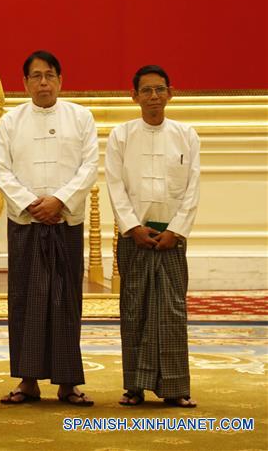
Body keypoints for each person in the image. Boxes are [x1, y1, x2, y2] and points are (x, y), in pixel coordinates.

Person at [0, 50, 98, 406]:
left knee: (65, 301)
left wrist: (59, 201)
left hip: (65, 222)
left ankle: (68, 383)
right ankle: (27, 381)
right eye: (35, 76)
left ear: (60, 80)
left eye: (49, 75)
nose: (43, 83)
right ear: (24, 83)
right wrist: (32, 204)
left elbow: (89, 167)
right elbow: (1, 169)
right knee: (26, 300)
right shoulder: (10, 121)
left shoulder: (81, 117)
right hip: (26, 223)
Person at [105, 65, 200, 408]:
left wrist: (176, 230)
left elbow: (192, 188)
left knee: (172, 312)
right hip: (135, 237)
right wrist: (131, 227)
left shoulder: (187, 135)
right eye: (146, 90)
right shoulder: (122, 136)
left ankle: (176, 388)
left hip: (172, 237)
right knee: (134, 311)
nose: (154, 96)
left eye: (160, 89)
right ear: (134, 96)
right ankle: (134, 387)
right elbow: (115, 185)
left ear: (170, 93)